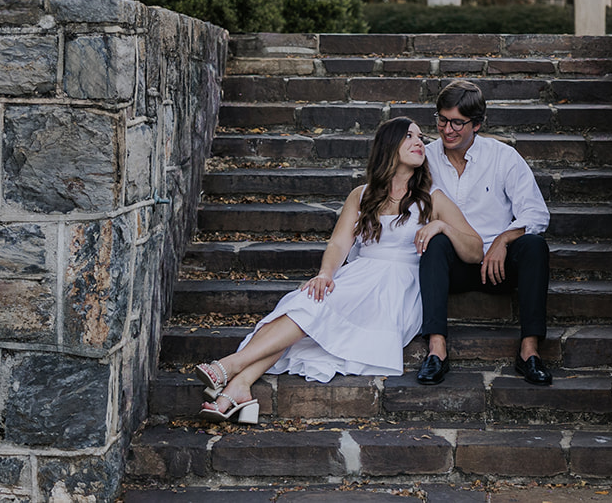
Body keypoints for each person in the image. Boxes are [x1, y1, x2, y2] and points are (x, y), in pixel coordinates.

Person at [192, 116, 483, 423]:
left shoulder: (432, 198)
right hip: (359, 275)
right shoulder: (362, 194)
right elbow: (339, 244)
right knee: (305, 303)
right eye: (409, 136)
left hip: (397, 287)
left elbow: (475, 249)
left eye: (421, 137)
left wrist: (441, 226)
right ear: (389, 145)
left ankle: (230, 365)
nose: (419, 142)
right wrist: (326, 273)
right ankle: (239, 387)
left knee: (311, 315)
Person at [416, 78, 553, 387]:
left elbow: (536, 213)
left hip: (499, 266)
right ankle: (437, 350)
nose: (447, 130)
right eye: (442, 120)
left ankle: (529, 352)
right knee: (435, 242)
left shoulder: (502, 157)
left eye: (457, 123)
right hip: (451, 265)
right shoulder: (424, 158)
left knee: (534, 246)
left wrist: (504, 239)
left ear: (476, 125)